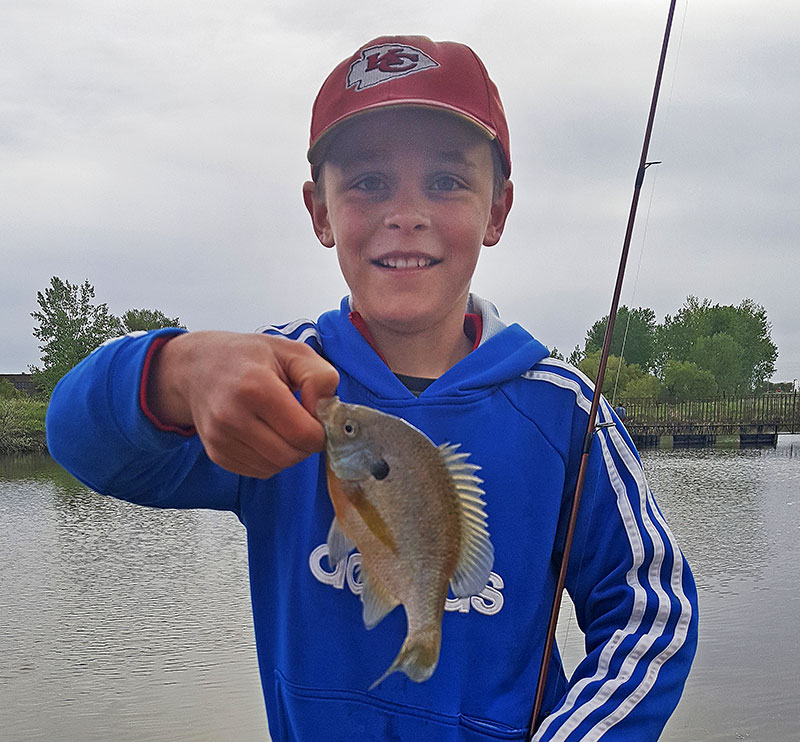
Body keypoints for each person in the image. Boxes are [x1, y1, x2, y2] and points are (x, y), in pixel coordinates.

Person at [47, 36, 697, 741]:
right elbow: (81, 444)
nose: (406, 214)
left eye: (446, 181)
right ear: (320, 211)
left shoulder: (566, 410)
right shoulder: (278, 386)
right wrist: (172, 374)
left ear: (498, 210)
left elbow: (648, 607)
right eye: (367, 182)